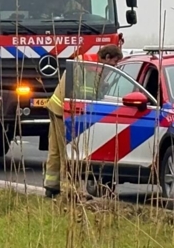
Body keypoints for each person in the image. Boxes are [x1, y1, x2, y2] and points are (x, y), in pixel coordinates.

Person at [44, 44, 123, 198]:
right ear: (106, 57)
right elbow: (86, 94)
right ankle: (70, 191)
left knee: (55, 150)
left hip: (56, 106)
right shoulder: (91, 67)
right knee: (67, 152)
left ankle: (51, 186)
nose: (114, 67)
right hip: (64, 111)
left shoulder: (85, 60)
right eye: (113, 63)